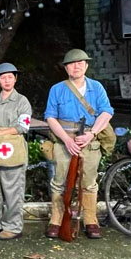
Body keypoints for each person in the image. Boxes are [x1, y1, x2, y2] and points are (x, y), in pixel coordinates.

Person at [43, 49, 113, 240]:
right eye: (72, 63)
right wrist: (66, 140)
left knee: (89, 182)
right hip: (64, 140)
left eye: (81, 63)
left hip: (89, 140)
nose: (77, 66)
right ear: (66, 68)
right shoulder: (57, 89)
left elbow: (106, 113)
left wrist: (91, 134)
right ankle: (57, 218)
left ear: (86, 66)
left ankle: (90, 219)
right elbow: (50, 116)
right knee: (59, 182)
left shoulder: (96, 87)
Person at [0, 63, 33, 240]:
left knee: (13, 190)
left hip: (13, 151)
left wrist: (2, 131)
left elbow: (23, 126)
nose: (7, 80)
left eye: (10, 77)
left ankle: (13, 226)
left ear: (15, 79)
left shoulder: (22, 101)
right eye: (3, 77)